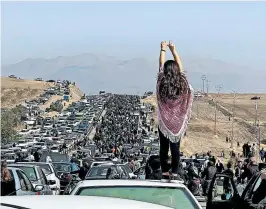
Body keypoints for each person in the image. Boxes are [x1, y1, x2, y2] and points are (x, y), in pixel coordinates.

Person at [157, 41, 193, 182]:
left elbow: (161, 64)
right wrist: (174, 50)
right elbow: (181, 68)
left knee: (164, 147)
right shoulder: (182, 83)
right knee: (175, 147)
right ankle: (175, 171)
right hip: (177, 123)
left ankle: (165, 172)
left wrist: (163, 49)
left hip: (164, 122)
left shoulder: (161, 82)